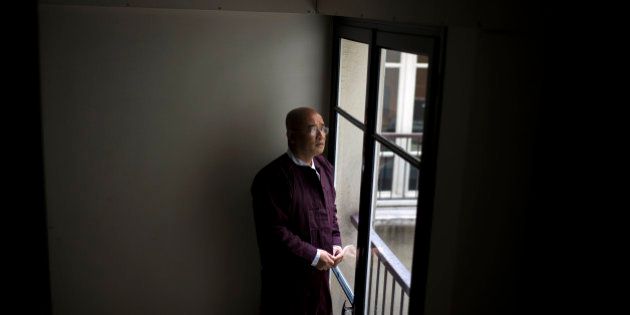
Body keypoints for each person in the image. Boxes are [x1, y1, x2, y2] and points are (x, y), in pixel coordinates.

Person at [251, 107, 344, 315]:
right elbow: (274, 233)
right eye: (312, 129)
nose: (321, 135)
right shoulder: (271, 178)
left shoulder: (324, 167)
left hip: (319, 285)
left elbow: (331, 211)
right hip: (286, 287)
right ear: (291, 136)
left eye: (323, 128)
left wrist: (335, 242)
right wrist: (313, 255)